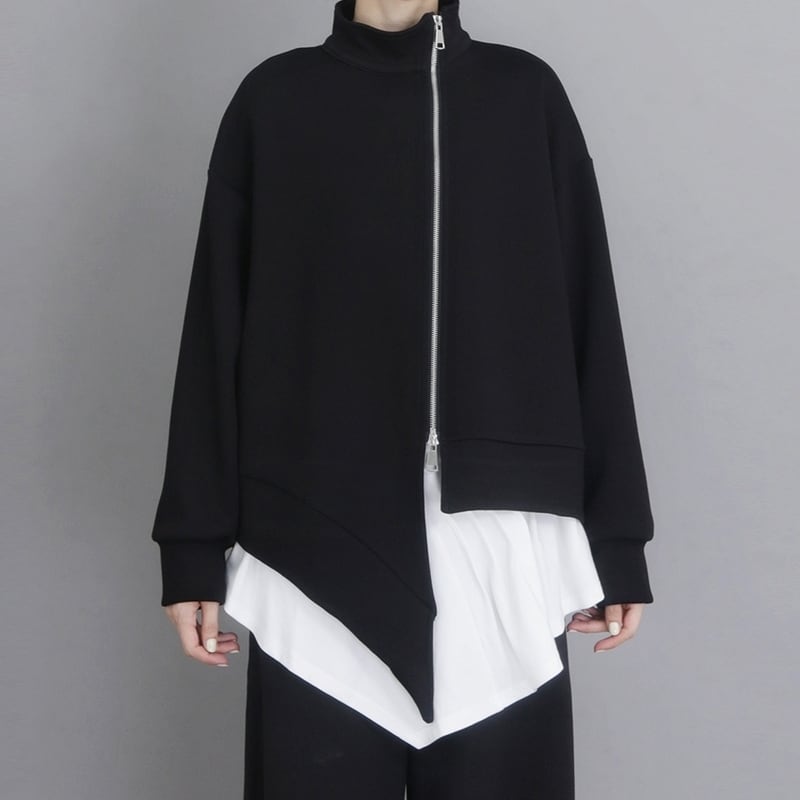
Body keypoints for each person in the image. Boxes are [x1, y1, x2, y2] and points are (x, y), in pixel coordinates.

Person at [151, 1, 655, 797]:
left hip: (500, 537)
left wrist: (617, 539)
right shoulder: (275, 100)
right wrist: (191, 550)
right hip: (313, 539)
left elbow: (587, 311)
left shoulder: (524, 95)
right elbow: (215, 329)